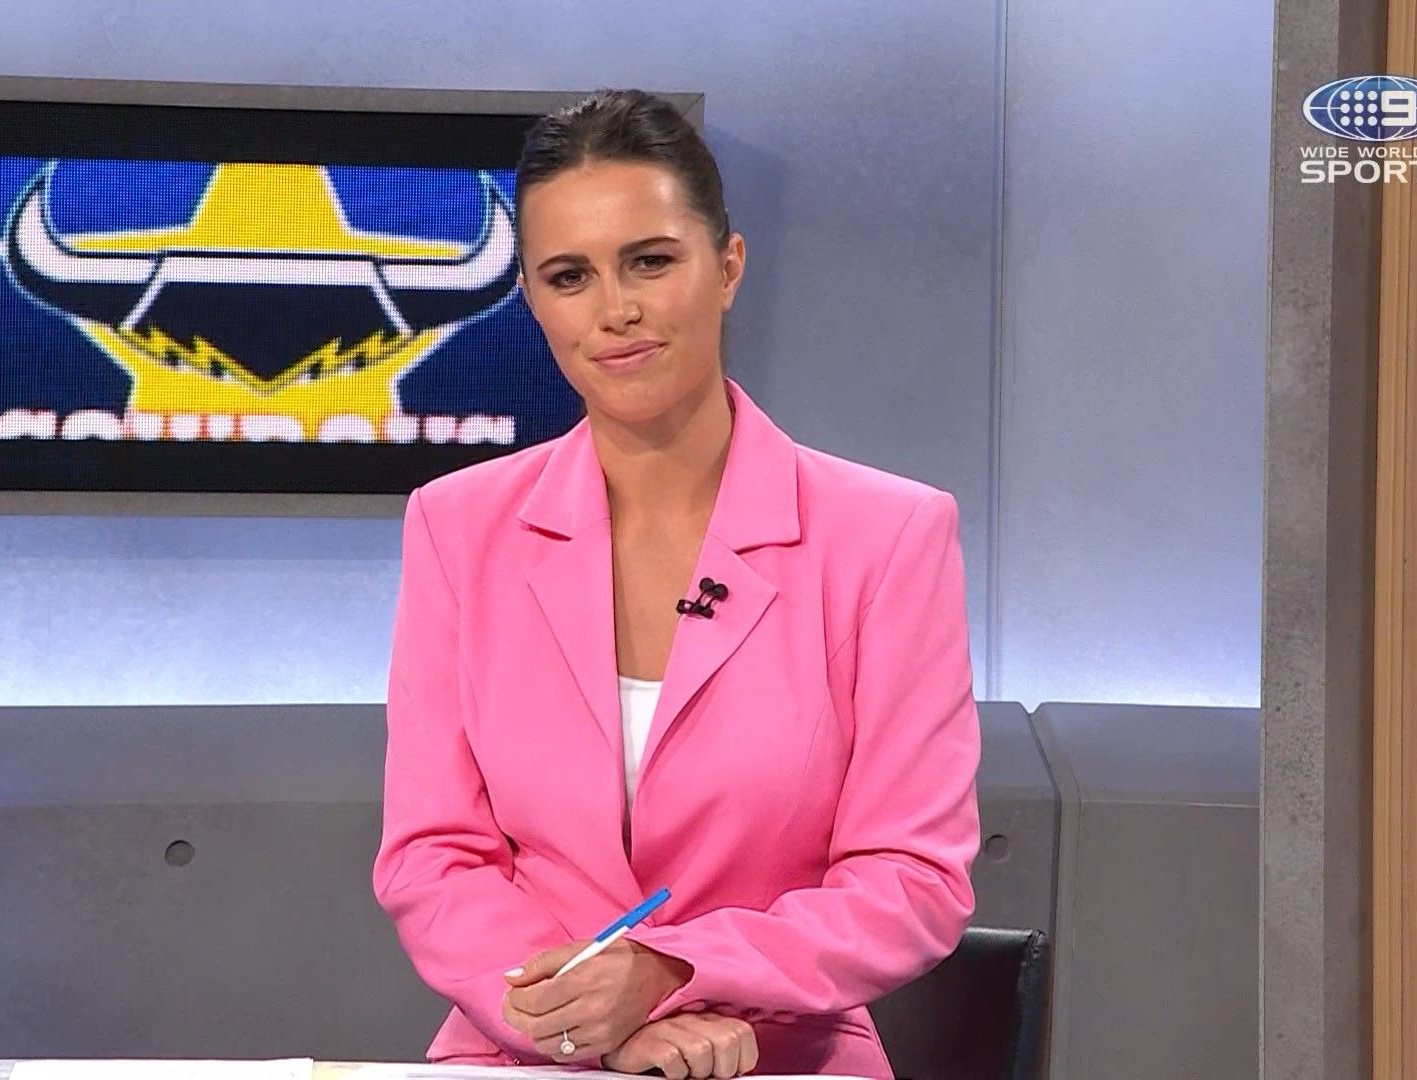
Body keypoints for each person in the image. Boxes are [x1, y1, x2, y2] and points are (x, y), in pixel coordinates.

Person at [372, 88, 981, 1080]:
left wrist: (670, 973)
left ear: (728, 266)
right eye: (570, 276)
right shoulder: (458, 527)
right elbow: (433, 856)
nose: (616, 310)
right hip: (527, 1051)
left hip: (777, 1056)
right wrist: (588, 1016)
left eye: (651, 261)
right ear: (533, 299)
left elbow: (910, 880)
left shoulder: (889, 537)